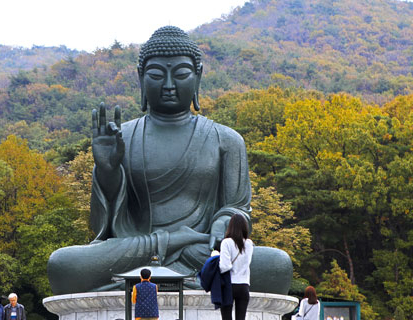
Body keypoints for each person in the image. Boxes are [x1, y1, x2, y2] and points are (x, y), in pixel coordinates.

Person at [47, 26, 267, 296]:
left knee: (275, 265)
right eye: (156, 75)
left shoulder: (226, 139)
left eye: (182, 74)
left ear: (198, 77)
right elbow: (102, 228)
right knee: (62, 264)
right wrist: (107, 170)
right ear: (141, 78)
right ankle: (185, 271)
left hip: (200, 249)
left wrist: (223, 223)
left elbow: (238, 208)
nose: (169, 85)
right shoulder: (123, 136)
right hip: (137, 249)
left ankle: (168, 271)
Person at [217, 213, 253, 320]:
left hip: (229, 285)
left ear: (230, 226)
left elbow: (224, 266)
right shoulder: (249, 243)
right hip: (243, 285)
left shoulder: (226, 243)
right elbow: (247, 263)